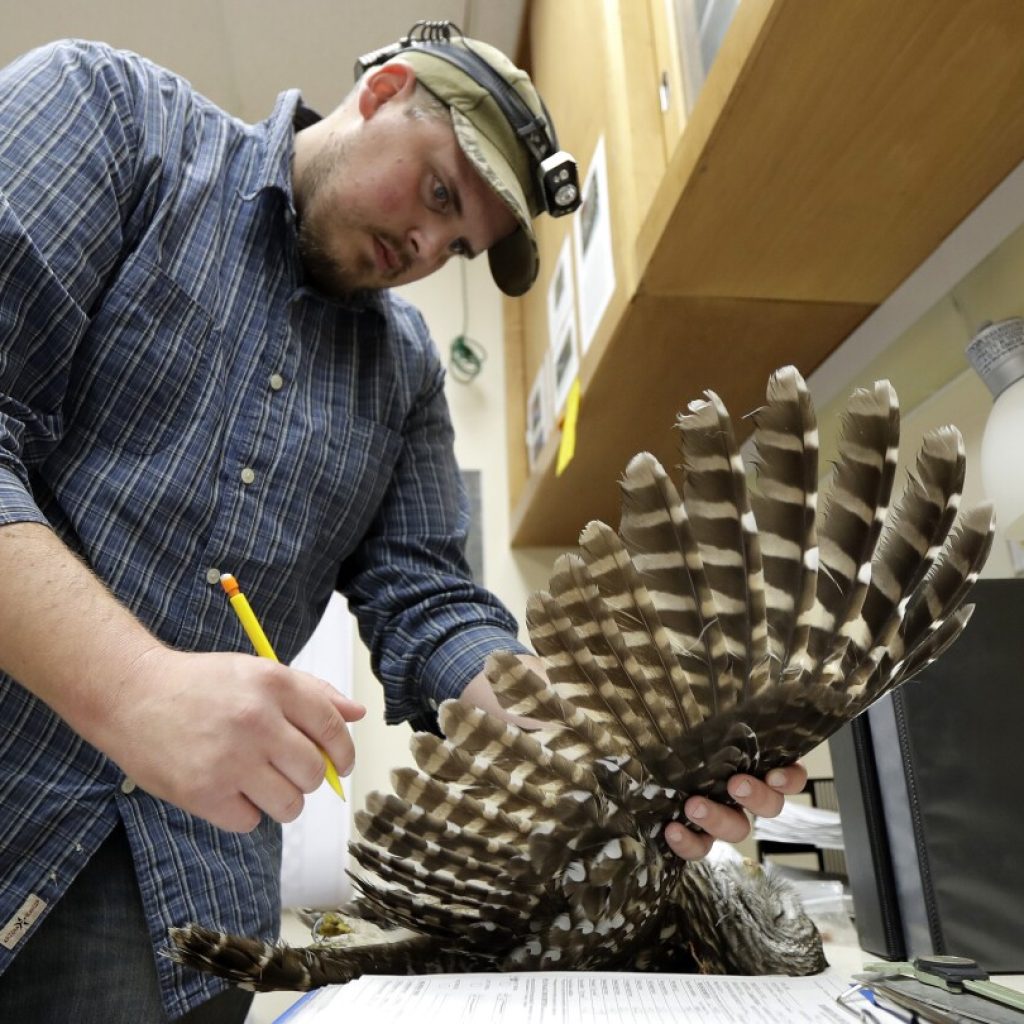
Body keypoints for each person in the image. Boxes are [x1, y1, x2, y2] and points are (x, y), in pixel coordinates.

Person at [0, 30, 805, 1022]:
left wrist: (584, 734)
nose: (429, 249)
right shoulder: (110, 121)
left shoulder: (405, 370)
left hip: (180, 900)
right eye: (436, 193)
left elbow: (425, 601)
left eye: (457, 243)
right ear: (382, 90)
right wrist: (135, 690)